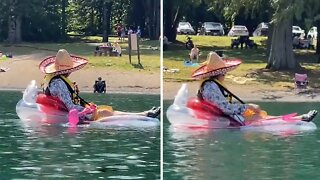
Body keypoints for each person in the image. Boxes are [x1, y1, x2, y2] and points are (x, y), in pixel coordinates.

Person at [192, 52, 318, 125]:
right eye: (224, 73)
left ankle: (299, 118)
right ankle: (299, 119)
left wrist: (247, 108)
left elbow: (222, 105)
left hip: (227, 116)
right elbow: (225, 108)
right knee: (260, 118)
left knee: (262, 116)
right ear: (219, 74)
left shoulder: (211, 85)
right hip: (226, 118)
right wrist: (249, 106)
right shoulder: (211, 87)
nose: (225, 75)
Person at [39, 49, 160, 122]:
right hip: (81, 114)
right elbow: (71, 108)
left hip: (80, 110)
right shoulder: (59, 83)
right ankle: (145, 115)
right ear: (67, 70)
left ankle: (145, 114)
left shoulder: (51, 81)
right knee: (108, 113)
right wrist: (87, 111)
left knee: (109, 111)